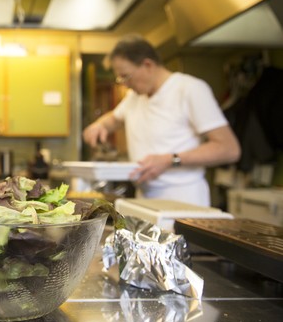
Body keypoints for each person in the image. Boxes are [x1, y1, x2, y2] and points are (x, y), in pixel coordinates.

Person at [82, 34, 241, 207]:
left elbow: (229, 149)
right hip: (144, 197)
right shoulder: (135, 96)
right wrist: (99, 125)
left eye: (126, 77)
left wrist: (170, 159)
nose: (125, 84)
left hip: (183, 200)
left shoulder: (189, 89)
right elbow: (114, 119)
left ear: (147, 65)